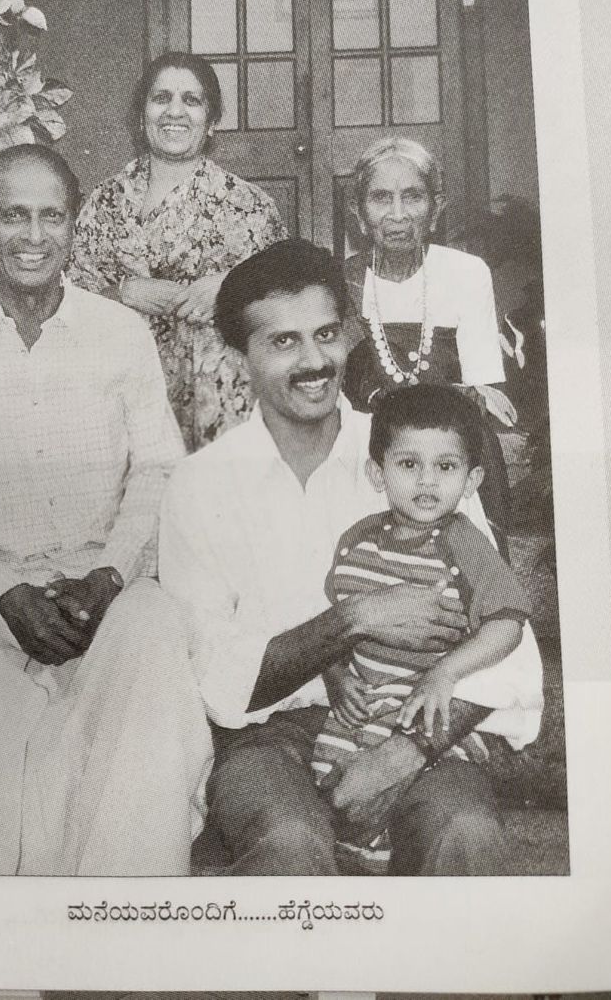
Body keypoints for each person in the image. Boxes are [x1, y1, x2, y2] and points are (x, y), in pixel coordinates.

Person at [159, 238, 543, 877]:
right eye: (283, 343)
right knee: (288, 842)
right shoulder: (200, 485)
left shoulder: (416, 456)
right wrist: (352, 621)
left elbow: (514, 649)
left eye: (326, 335)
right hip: (269, 736)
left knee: (464, 831)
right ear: (240, 355)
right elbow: (218, 681)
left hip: (420, 720)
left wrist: (405, 751)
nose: (313, 362)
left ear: (355, 333)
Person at [0, 144, 211, 876]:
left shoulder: (119, 334)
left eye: (51, 216)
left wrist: (108, 574)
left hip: (102, 582)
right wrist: (5, 591)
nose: (34, 235)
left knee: (157, 628)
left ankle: (119, 910)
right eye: (13, 215)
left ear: (72, 229)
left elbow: (159, 468)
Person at [311, 383, 532, 873]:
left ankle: (389, 875)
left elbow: (509, 623)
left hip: (429, 713)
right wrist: (335, 674)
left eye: (446, 467)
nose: (427, 482)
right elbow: (335, 624)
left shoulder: (463, 543)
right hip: (361, 706)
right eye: (409, 465)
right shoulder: (357, 541)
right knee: (332, 783)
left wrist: (446, 673)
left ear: (472, 479)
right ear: (377, 472)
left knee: (409, 793)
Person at [68, 52, 287, 450]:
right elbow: (69, 304)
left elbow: (288, 312)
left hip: (219, 414)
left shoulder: (250, 207)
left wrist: (232, 285)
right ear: (141, 115)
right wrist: (124, 292)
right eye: (161, 97)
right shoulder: (104, 202)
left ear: (213, 121)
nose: (174, 111)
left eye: (192, 100)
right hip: (120, 404)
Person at [342, 136, 515, 547]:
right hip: (369, 458)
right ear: (359, 213)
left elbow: (484, 395)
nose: (398, 214)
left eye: (413, 197)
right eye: (381, 198)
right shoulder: (342, 282)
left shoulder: (467, 274)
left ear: (435, 208)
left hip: (451, 452)